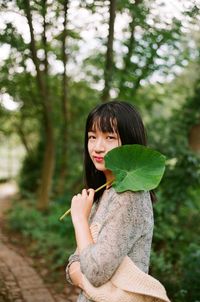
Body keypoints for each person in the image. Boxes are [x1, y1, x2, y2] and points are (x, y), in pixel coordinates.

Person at [66, 101, 154, 302]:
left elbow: (95, 271)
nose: (97, 147)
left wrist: (80, 219)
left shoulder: (129, 196)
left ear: (130, 142)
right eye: (92, 137)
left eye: (110, 137)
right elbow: (74, 261)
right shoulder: (105, 193)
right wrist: (81, 274)